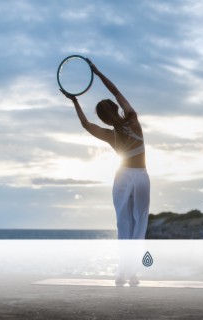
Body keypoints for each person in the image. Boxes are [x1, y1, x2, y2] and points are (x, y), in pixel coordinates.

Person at [60, 59, 150, 241]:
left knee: (123, 223)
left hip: (123, 176)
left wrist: (74, 100)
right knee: (140, 222)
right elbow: (116, 92)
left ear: (102, 119)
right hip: (140, 175)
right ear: (116, 108)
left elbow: (86, 124)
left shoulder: (110, 136)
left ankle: (126, 266)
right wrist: (98, 72)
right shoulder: (132, 120)